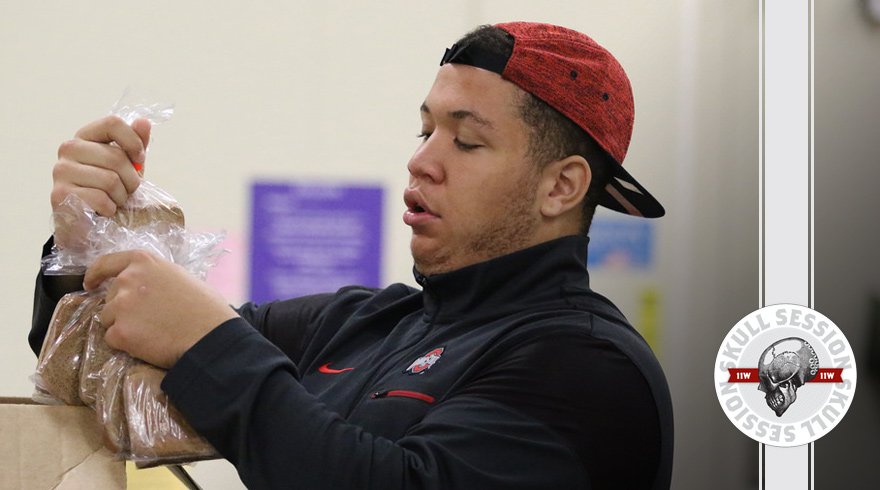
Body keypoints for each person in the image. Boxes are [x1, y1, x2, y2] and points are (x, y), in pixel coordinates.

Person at [31, 22, 673, 489]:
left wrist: (213, 346)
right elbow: (102, 363)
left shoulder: (587, 366)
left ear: (561, 186)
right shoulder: (361, 324)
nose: (421, 160)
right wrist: (84, 242)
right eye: (426, 131)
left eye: (467, 141)